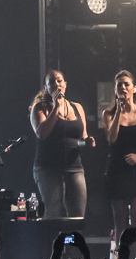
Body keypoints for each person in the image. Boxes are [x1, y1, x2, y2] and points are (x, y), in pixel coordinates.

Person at [102, 70, 136, 256]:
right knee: (120, 220)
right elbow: (112, 138)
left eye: (126, 84)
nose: (123, 88)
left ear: (134, 88)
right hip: (117, 169)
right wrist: (119, 110)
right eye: (119, 85)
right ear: (115, 90)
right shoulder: (109, 113)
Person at [29, 70, 95, 218]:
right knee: (54, 212)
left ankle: (72, 241)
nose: (56, 84)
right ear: (46, 87)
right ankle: (51, 241)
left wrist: (88, 141)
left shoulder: (77, 107)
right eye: (52, 82)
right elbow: (42, 134)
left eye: (59, 81)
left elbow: (82, 137)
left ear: (65, 84)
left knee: (77, 215)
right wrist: (56, 107)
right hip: (48, 168)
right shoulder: (40, 107)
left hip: (74, 167)